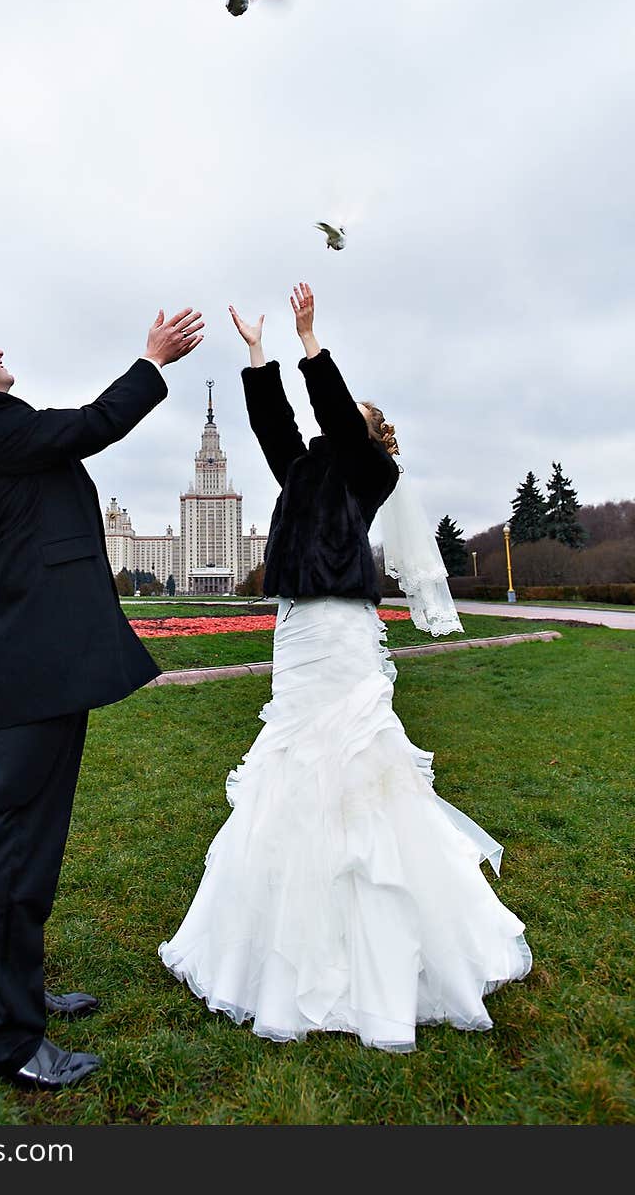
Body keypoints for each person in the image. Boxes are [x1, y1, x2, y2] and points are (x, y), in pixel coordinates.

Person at [159, 283, 531, 1052]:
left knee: (354, 769)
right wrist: (259, 353)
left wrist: (310, 341)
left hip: (340, 630)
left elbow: (329, 412)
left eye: (348, 419)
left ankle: (382, 947)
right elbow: (275, 425)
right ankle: (277, 937)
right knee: (292, 768)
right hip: (294, 632)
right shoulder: (301, 469)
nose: (333, 425)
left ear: (368, 436)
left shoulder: (370, 473)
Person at [0, 306, 203, 1088]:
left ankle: (22, 992)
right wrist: (153, 362)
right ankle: (5, 1043)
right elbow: (91, 425)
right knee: (18, 857)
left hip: (48, 660)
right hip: (33, 667)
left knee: (35, 849)